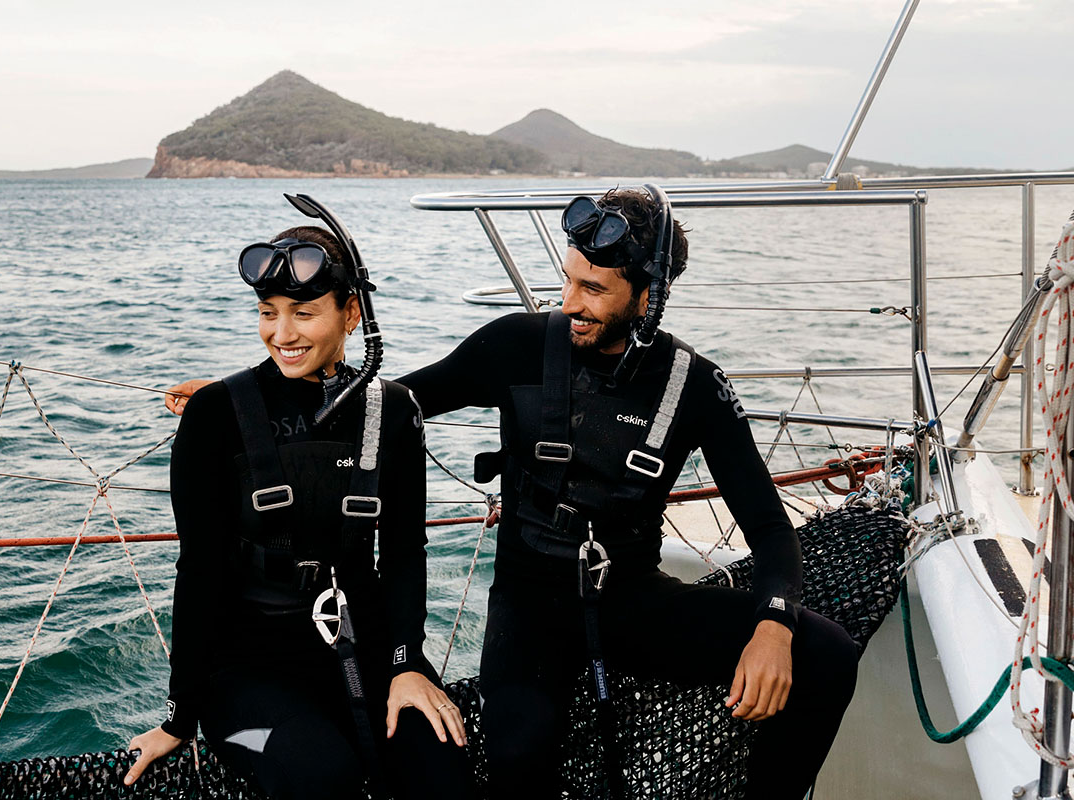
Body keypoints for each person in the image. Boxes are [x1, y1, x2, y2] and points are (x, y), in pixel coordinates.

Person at [165, 186, 859, 800]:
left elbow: (769, 528)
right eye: (569, 279)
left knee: (823, 652)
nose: (569, 303)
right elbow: (393, 403)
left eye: (594, 290)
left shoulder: (695, 386)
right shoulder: (516, 346)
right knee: (516, 756)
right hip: (528, 611)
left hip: (633, 602)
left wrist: (773, 623)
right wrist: (243, 400)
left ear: (647, 297)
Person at [129, 193, 476, 800]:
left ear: (351, 314)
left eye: (304, 313)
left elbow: (402, 554)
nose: (281, 334)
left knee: (441, 763)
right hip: (246, 664)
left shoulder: (391, 413)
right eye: (268, 312)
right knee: (321, 774)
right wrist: (180, 716)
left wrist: (405, 665)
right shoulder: (215, 414)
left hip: (361, 643)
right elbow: (200, 570)